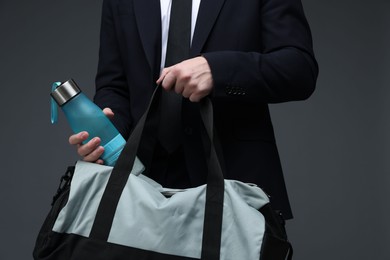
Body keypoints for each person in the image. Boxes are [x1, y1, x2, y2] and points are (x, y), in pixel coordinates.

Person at [69, 0, 318, 221]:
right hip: (138, 190)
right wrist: (106, 134)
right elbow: (114, 85)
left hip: (236, 181)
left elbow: (299, 69)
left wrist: (217, 70)